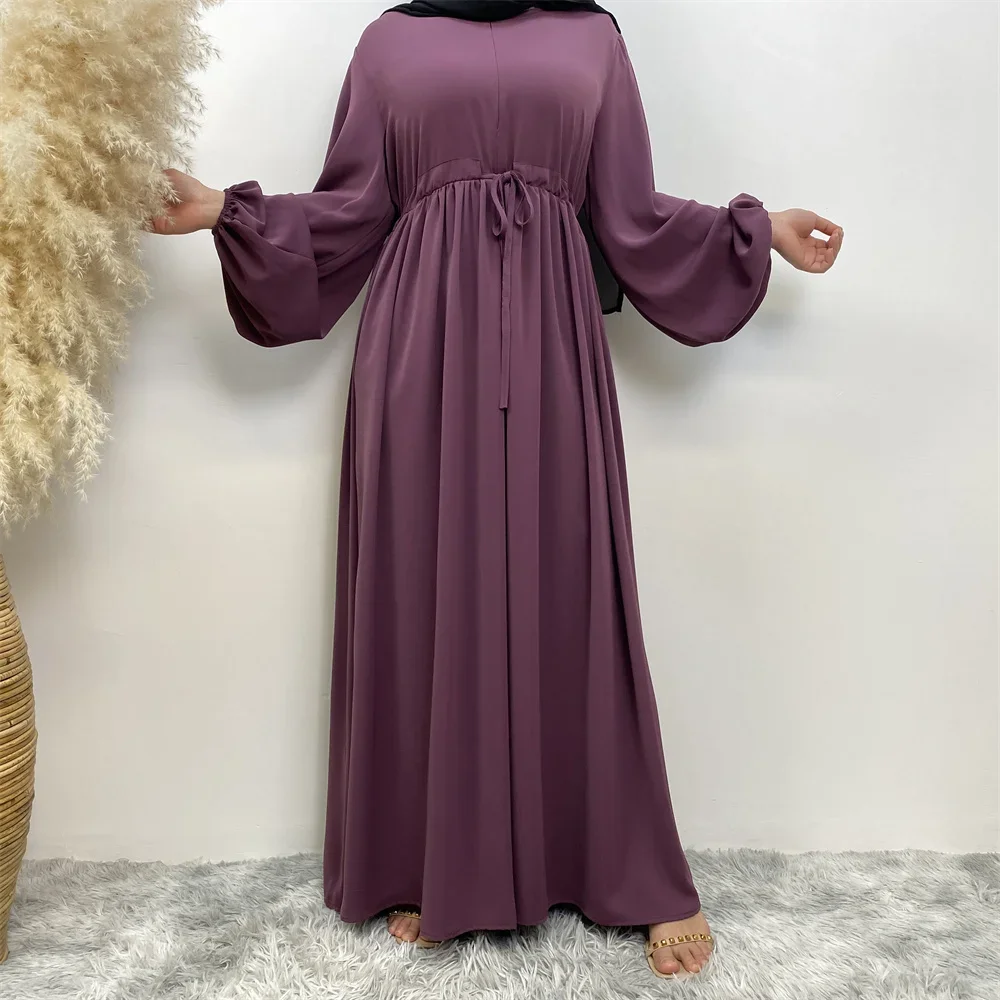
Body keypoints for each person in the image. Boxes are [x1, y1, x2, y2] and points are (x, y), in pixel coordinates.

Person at [151, 0, 841, 980]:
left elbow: (629, 212)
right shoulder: (389, 39)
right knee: (427, 582)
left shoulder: (593, 36)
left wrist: (756, 230)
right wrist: (228, 209)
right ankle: (433, 860)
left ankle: (623, 864)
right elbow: (352, 207)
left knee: (575, 587)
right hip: (419, 346)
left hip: (554, 338)